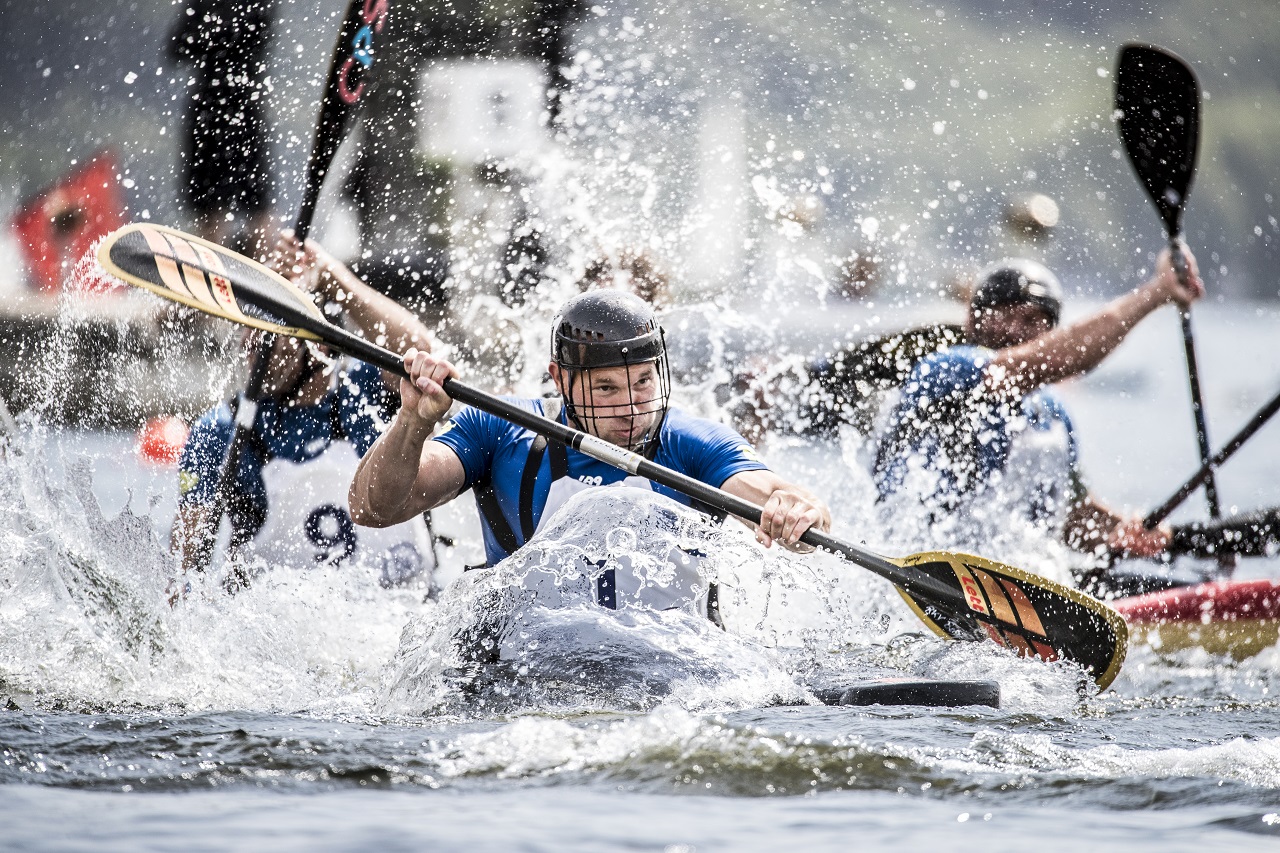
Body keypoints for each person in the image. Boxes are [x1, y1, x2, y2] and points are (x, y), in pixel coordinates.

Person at [348, 289, 832, 619]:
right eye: (606, 388)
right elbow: (372, 508)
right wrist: (415, 422)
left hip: (673, 677)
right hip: (531, 675)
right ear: (559, 380)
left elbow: (779, 498)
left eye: (643, 381)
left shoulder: (692, 442)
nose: (633, 407)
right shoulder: (498, 428)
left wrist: (797, 511)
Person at [873, 250, 1203, 564]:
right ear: (972, 318)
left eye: (1033, 319)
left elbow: (1071, 516)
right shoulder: (946, 370)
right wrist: (1156, 292)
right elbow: (1038, 364)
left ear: (1051, 332)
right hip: (913, 560)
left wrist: (1126, 533)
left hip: (991, 572)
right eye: (1002, 313)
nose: (1015, 329)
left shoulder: (1052, 416)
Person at [171, 233, 439, 591]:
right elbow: (184, 575)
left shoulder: (365, 390)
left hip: (400, 613)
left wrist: (327, 273)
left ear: (320, 349)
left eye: (271, 330)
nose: (251, 343)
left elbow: (422, 352)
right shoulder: (221, 432)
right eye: (249, 328)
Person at [167, 0, 276, 255]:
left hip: (245, 110)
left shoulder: (258, 4)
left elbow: (257, 34)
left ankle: (264, 276)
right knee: (209, 207)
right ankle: (207, 275)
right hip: (208, 112)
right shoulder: (202, 3)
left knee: (259, 206)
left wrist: (210, 34)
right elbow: (176, 49)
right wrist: (212, 32)